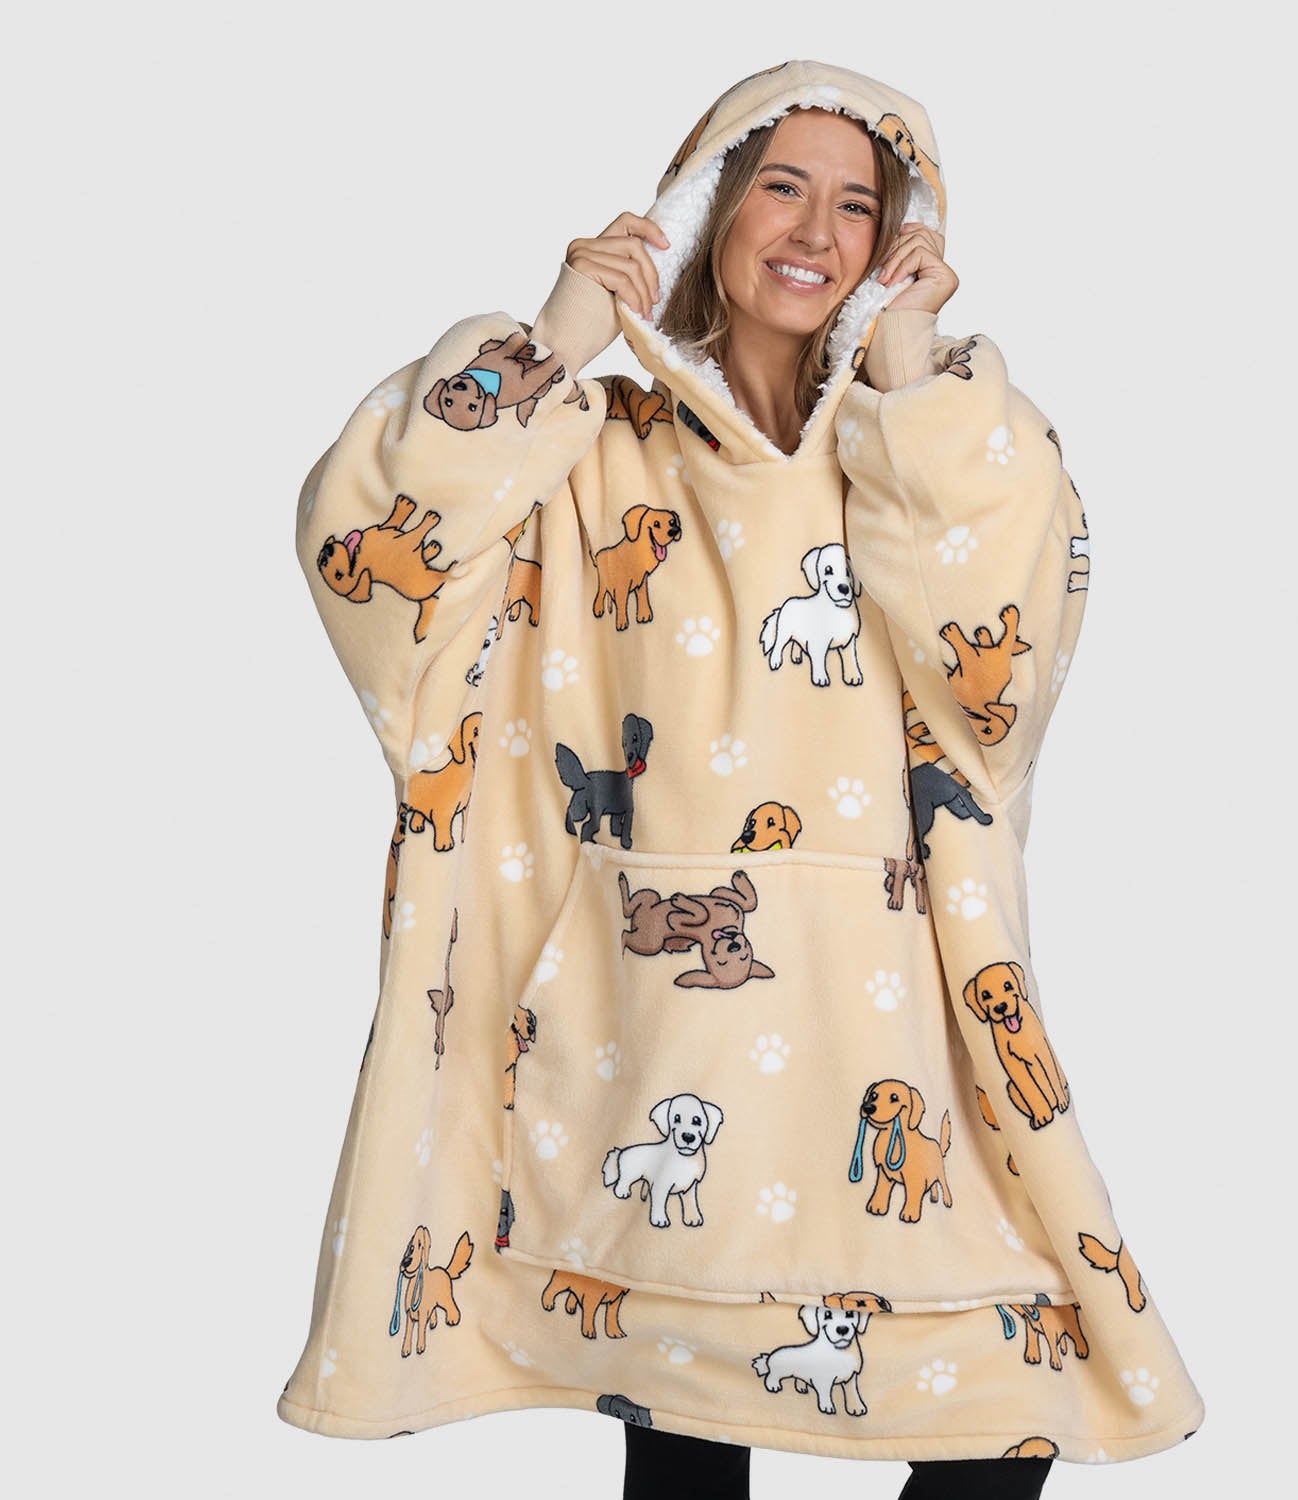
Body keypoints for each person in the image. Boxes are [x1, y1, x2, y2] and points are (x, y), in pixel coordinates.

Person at [277, 59, 1205, 1495]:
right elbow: (375, 558)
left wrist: (908, 376)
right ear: (711, 206)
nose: (817, 231)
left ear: (895, 240)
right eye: (781, 184)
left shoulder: (938, 440)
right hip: (656, 1035)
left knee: (1009, 1402)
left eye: (858, 204)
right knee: (685, 1465)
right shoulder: (591, 452)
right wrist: (551, 343)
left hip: (906, 1041)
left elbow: (996, 680)